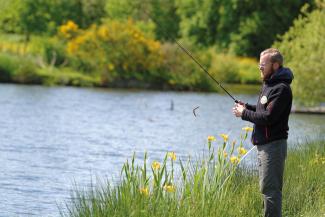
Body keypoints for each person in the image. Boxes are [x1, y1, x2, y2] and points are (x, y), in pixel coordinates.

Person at [232, 48, 293, 217]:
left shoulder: (281, 89)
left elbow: (267, 118)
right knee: (266, 189)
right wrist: (246, 106)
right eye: (259, 64)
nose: (259, 67)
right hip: (265, 146)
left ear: (275, 65)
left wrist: (243, 113)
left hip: (273, 147)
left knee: (270, 191)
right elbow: (261, 109)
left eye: (263, 64)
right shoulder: (269, 84)